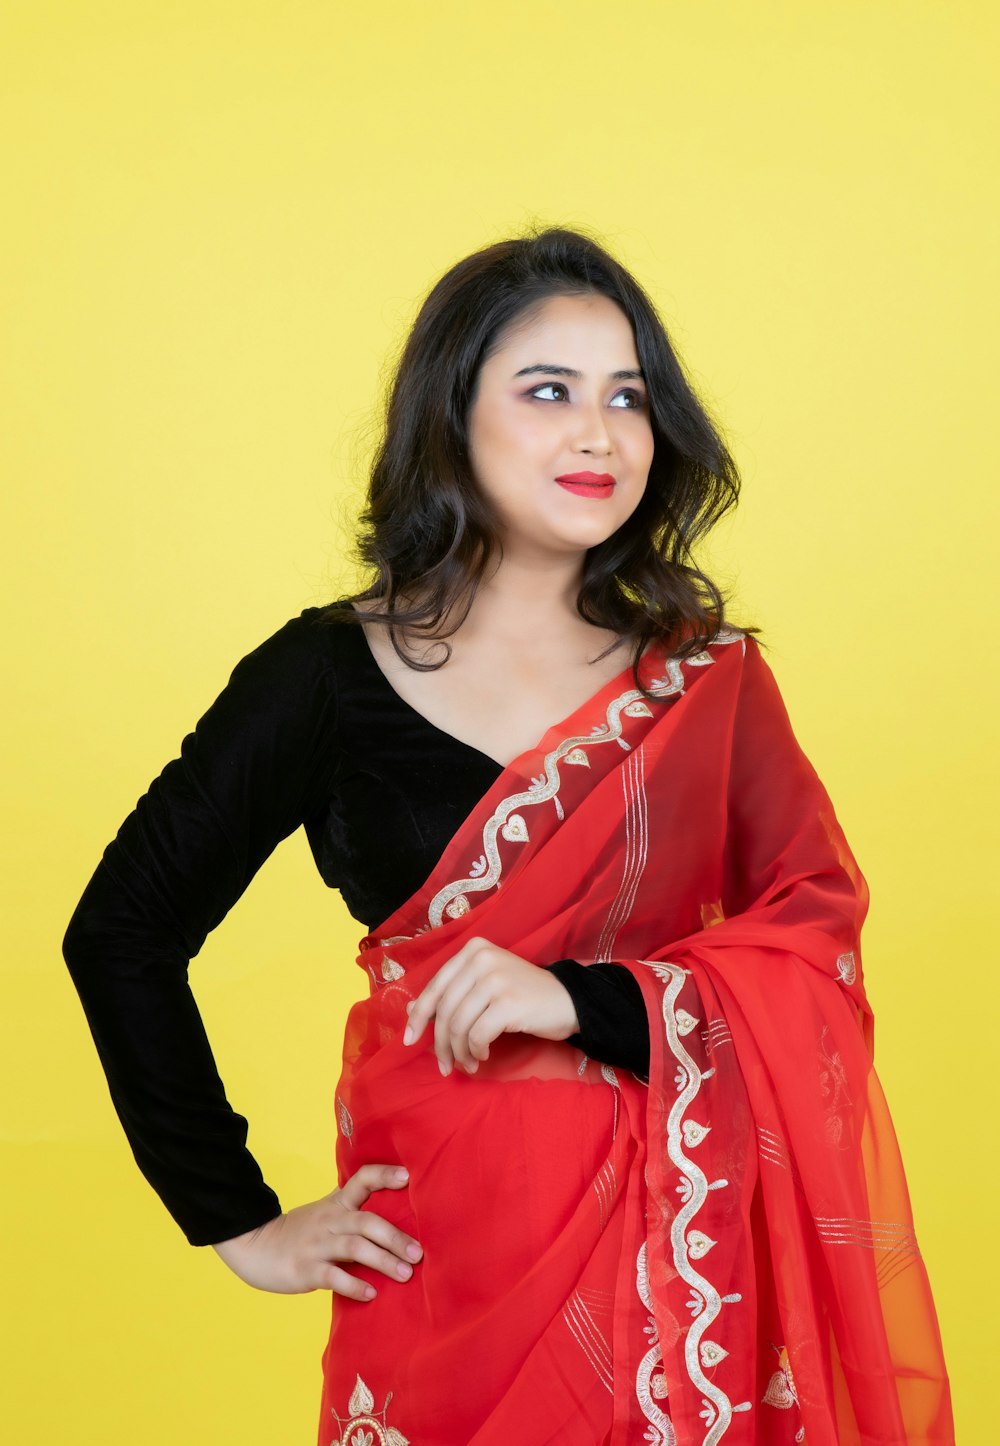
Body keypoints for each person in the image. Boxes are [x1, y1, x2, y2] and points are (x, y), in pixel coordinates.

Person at [63, 226, 954, 1445]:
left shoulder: (704, 686)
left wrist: (578, 999)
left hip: (684, 1272)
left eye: (627, 397)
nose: (599, 434)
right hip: (445, 1275)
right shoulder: (324, 675)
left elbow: (814, 948)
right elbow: (121, 930)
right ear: (450, 420)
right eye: (548, 391)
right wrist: (235, 1220)